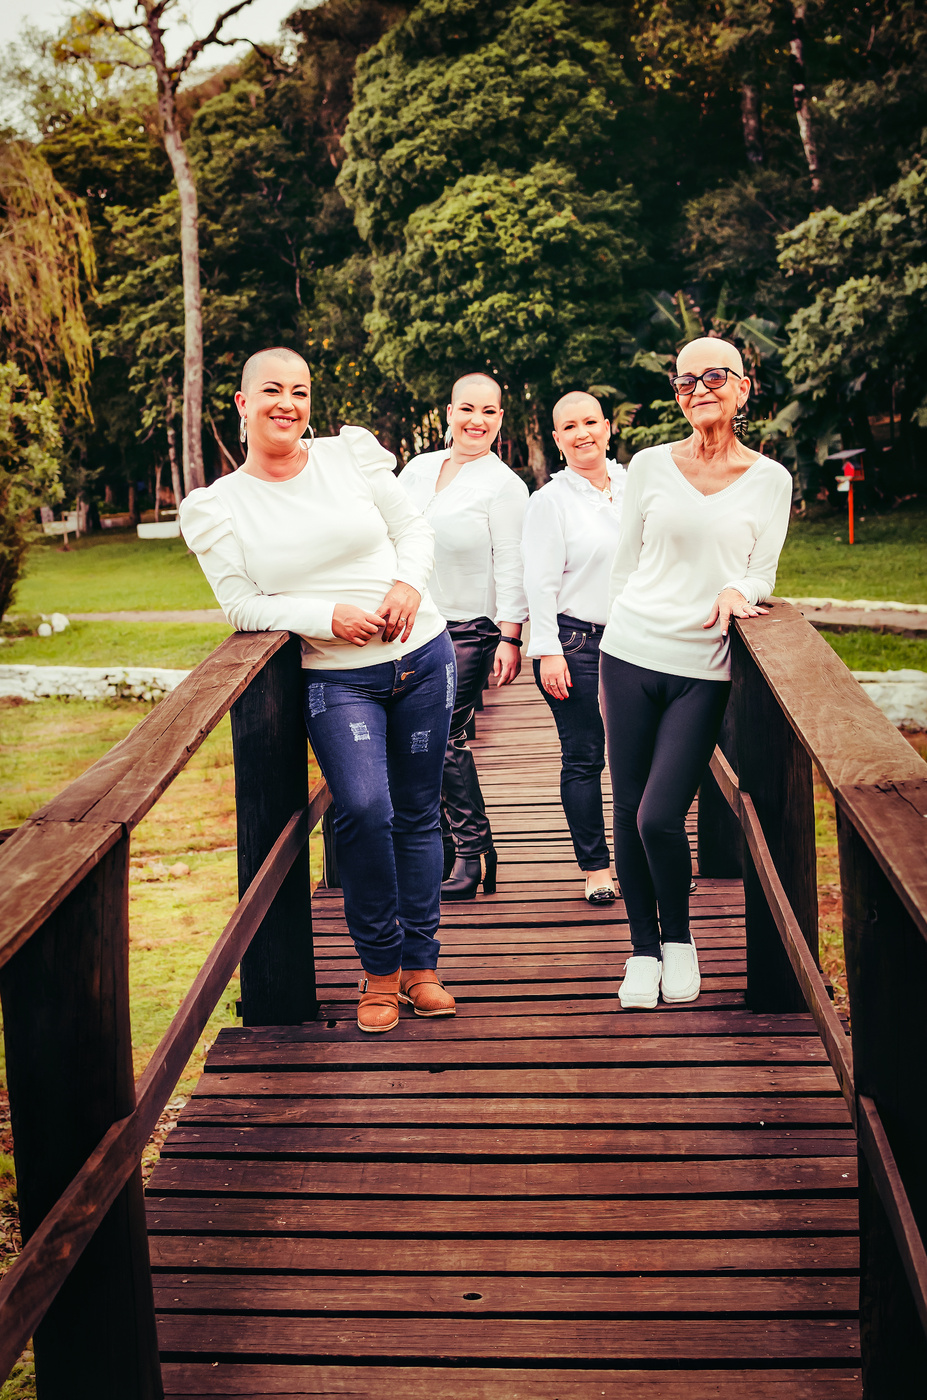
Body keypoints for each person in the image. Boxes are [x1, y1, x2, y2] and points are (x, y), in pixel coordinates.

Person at [179, 346, 457, 1034]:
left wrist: (407, 584)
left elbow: (412, 529)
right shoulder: (218, 505)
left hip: (423, 656)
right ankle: (379, 969)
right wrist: (322, 616)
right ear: (242, 403)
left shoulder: (348, 455)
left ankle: (421, 967)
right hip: (337, 677)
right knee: (364, 808)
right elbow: (241, 604)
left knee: (418, 813)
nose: (288, 404)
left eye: (300, 391)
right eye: (272, 390)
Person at [599, 337, 792, 1010]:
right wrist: (614, 627)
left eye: (714, 375)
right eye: (685, 380)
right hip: (629, 653)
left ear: (742, 387)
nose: (699, 389)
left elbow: (762, 572)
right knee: (628, 809)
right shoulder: (650, 465)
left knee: (659, 816)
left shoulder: (770, 479)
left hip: (701, 667)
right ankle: (641, 951)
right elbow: (625, 564)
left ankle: (678, 939)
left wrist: (739, 588)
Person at [400, 372, 529, 900]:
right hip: (412, 624)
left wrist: (511, 637)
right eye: (468, 409)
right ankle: (443, 849)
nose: (477, 420)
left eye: (489, 411)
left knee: (446, 736)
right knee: (416, 737)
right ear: (449, 412)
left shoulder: (505, 485)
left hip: (471, 628)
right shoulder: (417, 468)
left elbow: (512, 561)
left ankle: (473, 854)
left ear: (500, 418)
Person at [522, 391, 626, 904]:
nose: (582, 433)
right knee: (584, 756)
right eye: (570, 426)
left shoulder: (636, 485)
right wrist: (547, 650)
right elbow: (539, 582)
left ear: (607, 428)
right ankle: (596, 869)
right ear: (558, 439)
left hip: (639, 640)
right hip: (576, 642)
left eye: (590, 422)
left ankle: (646, 862)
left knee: (642, 757)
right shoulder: (550, 501)